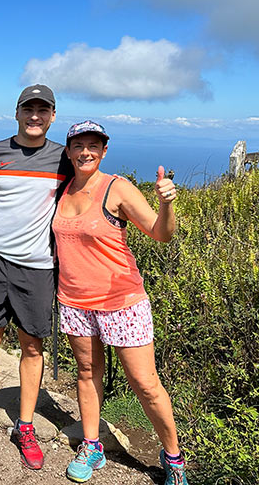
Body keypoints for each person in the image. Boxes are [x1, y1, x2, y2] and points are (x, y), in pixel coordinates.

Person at [52, 120, 188, 485]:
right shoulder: (61, 191)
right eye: (78, 145)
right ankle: (92, 445)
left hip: (122, 301)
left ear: (104, 151)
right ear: (68, 151)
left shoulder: (117, 188)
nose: (85, 152)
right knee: (86, 372)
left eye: (93, 145)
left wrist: (166, 204)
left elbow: (161, 234)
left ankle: (173, 457)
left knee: (145, 383)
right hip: (75, 301)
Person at [0, 84, 72, 470]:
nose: (35, 116)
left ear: (53, 116)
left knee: (32, 345)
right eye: (29, 109)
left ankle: (25, 426)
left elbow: (86, 194)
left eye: (43, 110)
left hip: (39, 266)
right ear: (17, 113)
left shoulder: (64, 158)